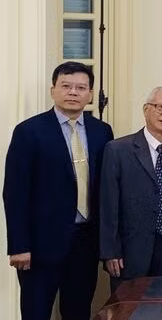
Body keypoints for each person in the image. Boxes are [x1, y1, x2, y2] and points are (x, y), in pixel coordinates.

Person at [3, 62, 114, 320]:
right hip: (40, 246)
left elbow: (107, 189)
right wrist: (19, 246)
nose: (73, 92)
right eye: (66, 86)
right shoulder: (29, 131)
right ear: (53, 90)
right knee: (36, 312)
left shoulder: (102, 131)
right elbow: (15, 192)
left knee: (77, 311)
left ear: (89, 93)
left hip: (86, 243)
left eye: (81, 87)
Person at [100, 86, 162, 291]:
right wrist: (111, 251)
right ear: (146, 109)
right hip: (131, 250)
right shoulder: (118, 149)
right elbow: (108, 204)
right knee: (130, 309)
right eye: (161, 107)